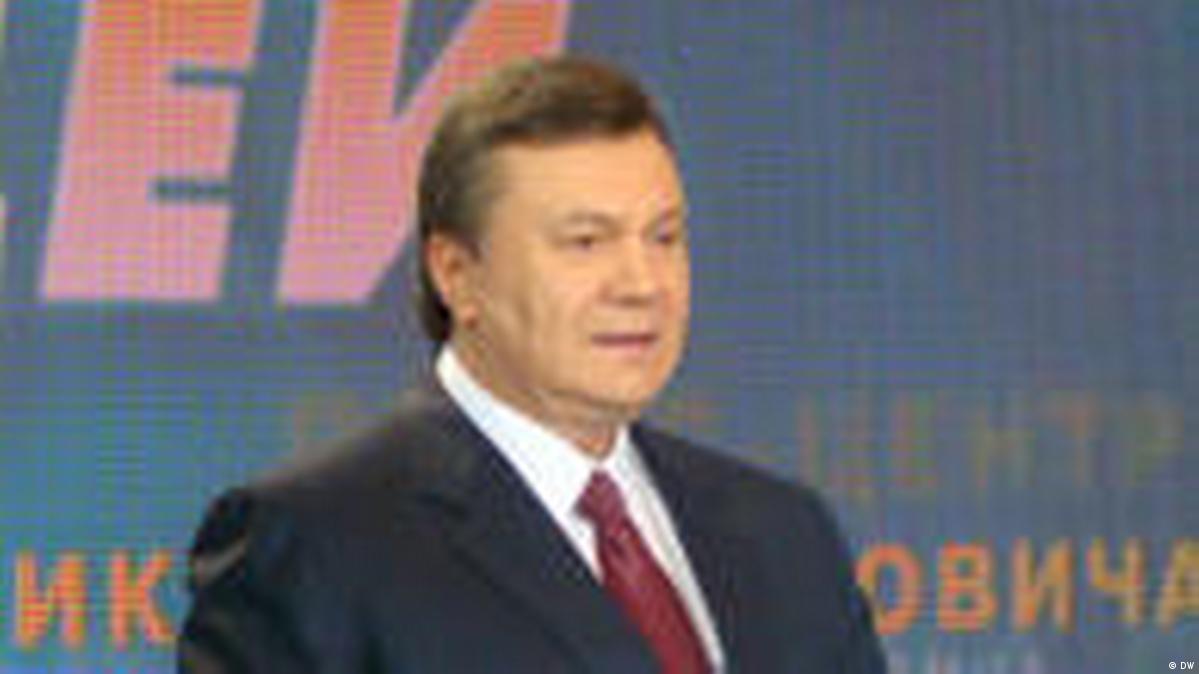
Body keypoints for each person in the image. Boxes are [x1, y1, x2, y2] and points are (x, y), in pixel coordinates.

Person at [179, 55, 886, 673]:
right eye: (585, 242)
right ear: (456, 273)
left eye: (664, 237)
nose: (642, 283)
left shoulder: (784, 533)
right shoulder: (315, 543)